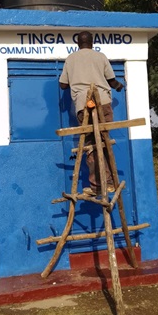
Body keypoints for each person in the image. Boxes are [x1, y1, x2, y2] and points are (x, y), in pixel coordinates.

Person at [59, 31, 124, 196]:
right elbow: (111, 80)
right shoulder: (100, 57)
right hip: (103, 102)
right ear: (92, 42)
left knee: (90, 145)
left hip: (83, 104)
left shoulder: (71, 59)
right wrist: (118, 86)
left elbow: (63, 85)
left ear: (78, 43)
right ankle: (110, 184)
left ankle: (97, 186)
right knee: (104, 141)